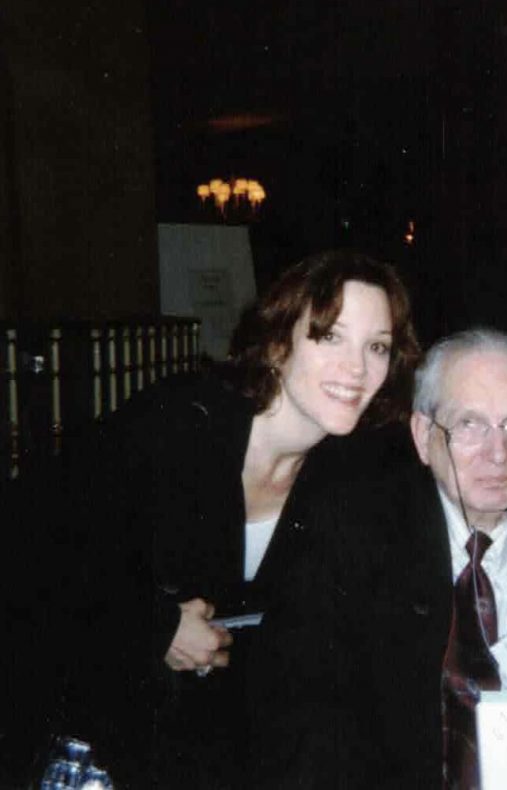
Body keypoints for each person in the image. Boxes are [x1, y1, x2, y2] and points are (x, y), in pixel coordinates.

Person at [57, 250, 420, 787]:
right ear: (277, 343)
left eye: (377, 347)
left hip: (228, 753)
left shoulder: (352, 467)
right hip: (97, 735)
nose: (357, 369)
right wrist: (156, 626)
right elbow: (44, 549)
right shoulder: (178, 422)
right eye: (330, 337)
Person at [247, 328, 507, 789]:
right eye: (469, 425)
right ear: (422, 435)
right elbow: (304, 728)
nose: (497, 453)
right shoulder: (351, 548)